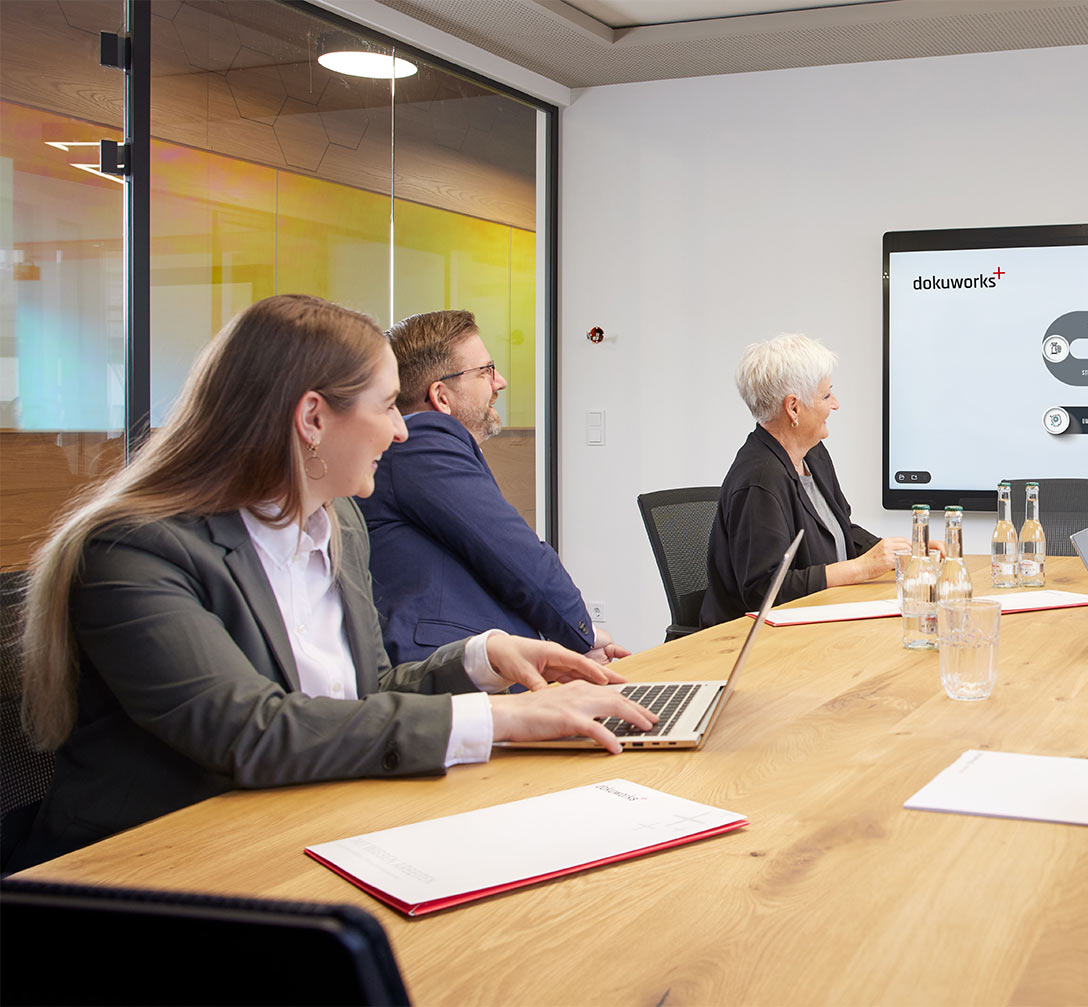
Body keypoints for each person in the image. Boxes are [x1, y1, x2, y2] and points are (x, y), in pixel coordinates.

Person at [13, 294, 655, 870]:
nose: (403, 429)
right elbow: (252, 732)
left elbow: (361, 693)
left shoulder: (336, 520)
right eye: (385, 406)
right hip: (152, 869)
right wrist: (501, 717)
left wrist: (481, 660)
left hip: (308, 828)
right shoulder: (136, 552)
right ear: (313, 419)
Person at [361, 309, 627, 664]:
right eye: (485, 371)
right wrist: (583, 633)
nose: (499, 381)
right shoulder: (423, 439)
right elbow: (515, 553)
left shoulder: (416, 452)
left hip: (480, 658)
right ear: (441, 396)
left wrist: (559, 649)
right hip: (444, 673)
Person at [701, 334, 908, 626]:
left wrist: (899, 555)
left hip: (823, 619)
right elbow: (764, 591)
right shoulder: (759, 481)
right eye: (826, 395)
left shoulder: (813, 453)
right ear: (793, 408)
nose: (835, 404)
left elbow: (841, 530)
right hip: (756, 645)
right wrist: (861, 569)